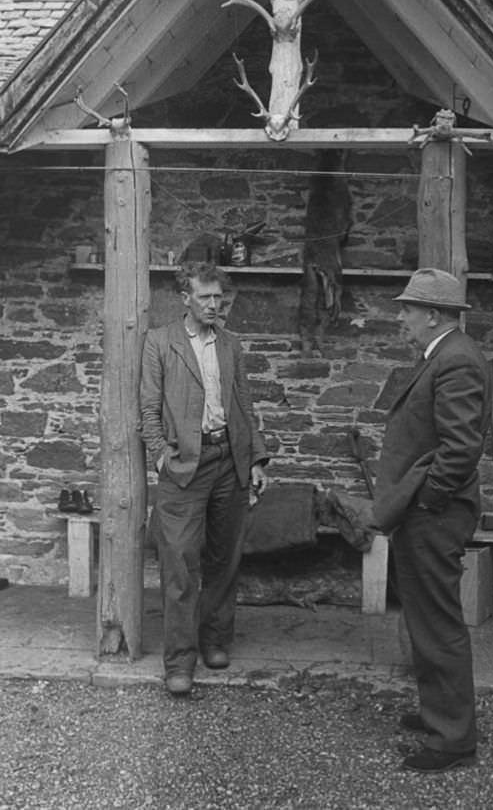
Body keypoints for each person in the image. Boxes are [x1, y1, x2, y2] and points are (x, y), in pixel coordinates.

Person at [373, 268, 490, 774]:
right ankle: (439, 714)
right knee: (425, 617)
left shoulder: (456, 360)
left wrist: (427, 501)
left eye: (408, 309)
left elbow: (461, 448)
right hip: (424, 509)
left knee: (438, 623)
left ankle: (452, 741)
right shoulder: (443, 355)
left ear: (434, 315)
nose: (402, 318)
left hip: (433, 513)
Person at [140, 261, 268, 696]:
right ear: (185, 299)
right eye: (206, 297)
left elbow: (244, 407)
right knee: (179, 565)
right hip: (184, 468)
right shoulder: (160, 342)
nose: (215, 305)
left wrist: (255, 460)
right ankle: (179, 662)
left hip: (228, 462)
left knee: (223, 561)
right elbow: (148, 409)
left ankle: (215, 640)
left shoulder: (230, 344)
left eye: (219, 297)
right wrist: (161, 456)